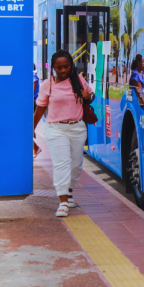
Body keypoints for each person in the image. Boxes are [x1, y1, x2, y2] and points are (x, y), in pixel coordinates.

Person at [34, 49, 95, 217]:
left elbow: (91, 95)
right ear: (53, 68)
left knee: (76, 166)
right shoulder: (48, 84)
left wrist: (87, 94)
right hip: (56, 129)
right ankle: (63, 202)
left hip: (77, 128)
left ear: (71, 66)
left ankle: (68, 192)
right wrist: (30, 130)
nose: (62, 71)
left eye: (66, 67)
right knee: (61, 164)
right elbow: (40, 109)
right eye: (58, 68)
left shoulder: (78, 80)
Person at [33, 66, 41, 157]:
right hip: (31, 102)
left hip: (31, 102)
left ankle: (36, 148)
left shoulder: (32, 75)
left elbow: (31, 91)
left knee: (25, 129)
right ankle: (35, 148)